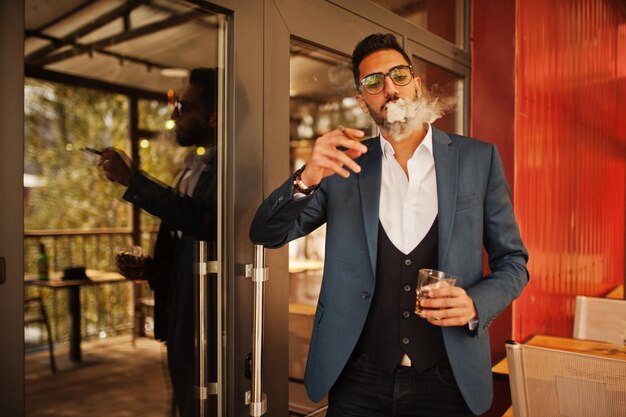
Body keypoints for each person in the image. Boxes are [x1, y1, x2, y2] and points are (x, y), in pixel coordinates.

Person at [250, 34, 529, 416]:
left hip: (449, 378)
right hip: (359, 378)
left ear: (416, 83)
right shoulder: (342, 168)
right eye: (373, 82)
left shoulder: (477, 160)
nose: (389, 89)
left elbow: (513, 262)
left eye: (398, 74)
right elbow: (267, 234)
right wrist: (308, 176)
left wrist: (475, 304)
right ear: (362, 99)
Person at [99, 67, 218, 417]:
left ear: (212, 118)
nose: (174, 114)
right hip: (179, 304)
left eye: (183, 107)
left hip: (206, 309)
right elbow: (184, 228)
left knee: (203, 402)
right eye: (175, 105)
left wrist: (132, 179)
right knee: (185, 398)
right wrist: (153, 269)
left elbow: (205, 221)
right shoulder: (192, 164)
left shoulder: (231, 166)